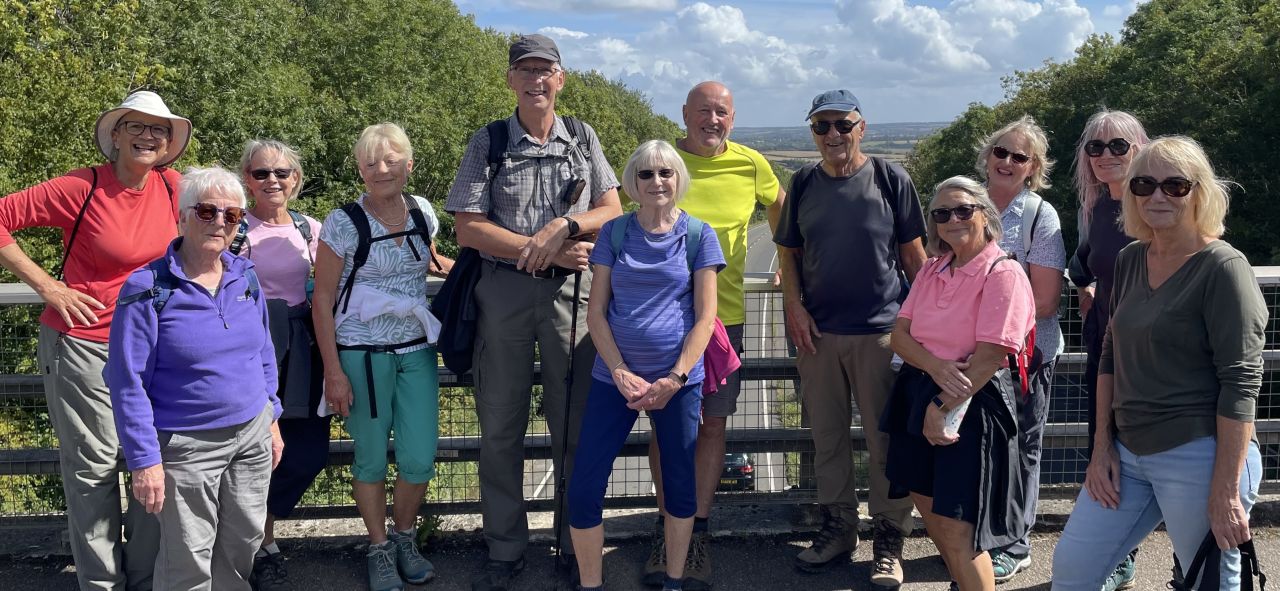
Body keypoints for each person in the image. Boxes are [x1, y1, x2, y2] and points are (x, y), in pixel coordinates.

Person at [444, 33, 622, 590]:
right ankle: (505, 550)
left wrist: (565, 226)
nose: (536, 79)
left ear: (560, 79)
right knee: (501, 426)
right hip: (504, 294)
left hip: (573, 296)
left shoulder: (583, 137)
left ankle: (574, 543)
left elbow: (612, 207)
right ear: (510, 80)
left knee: (576, 425)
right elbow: (467, 227)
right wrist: (538, 248)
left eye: (546, 70)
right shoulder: (490, 140)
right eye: (526, 70)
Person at [1051, 136, 1266, 590]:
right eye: (1144, 185)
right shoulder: (1131, 258)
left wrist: (1226, 489)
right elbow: (1110, 354)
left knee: (1209, 581)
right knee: (1073, 570)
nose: (1157, 196)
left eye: (1175, 185)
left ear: (1200, 192)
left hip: (1199, 453)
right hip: (1127, 454)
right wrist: (1102, 446)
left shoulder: (1223, 267)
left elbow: (1241, 382)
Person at [0, 90, 189, 590]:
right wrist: (48, 286)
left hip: (155, 347)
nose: (148, 136)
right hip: (84, 343)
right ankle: (102, 584)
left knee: (156, 461)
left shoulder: (174, 187)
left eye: (159, 128)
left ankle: (144, 579)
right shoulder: (82, 186)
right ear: (117, 134)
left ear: (169, 141)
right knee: (95, 469)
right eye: (137, 126)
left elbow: (225, 221)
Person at [773, 89, 926, 588]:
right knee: (828, 438)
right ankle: (839, 529)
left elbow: (914, 256)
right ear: (813, 132)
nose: (833, 134)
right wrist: (794, 306)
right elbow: (789, 253)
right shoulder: (803, 182)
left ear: (862, 128)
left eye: (843, 124)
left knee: (885, 441)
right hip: (818, 334)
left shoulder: (890, 178)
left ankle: (889, 540)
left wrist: (927, 323)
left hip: (881, 333)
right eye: (822, 126)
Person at [105, 165, 284, 590]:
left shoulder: (245, 275)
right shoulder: (148, 288)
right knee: (188, 557)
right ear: (183, 217)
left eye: (232, 215)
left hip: (251, 436)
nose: (220, 222)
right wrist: (145, 461)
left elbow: (262, 351)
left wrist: (272, 417)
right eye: (207, 211)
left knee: (244, 541)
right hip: (186, 446)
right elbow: (127, 382)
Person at [641, 80, 784, 589]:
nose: (712, 120)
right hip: (665, 319)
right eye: (703, 110)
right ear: (684, 114)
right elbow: (623, 216)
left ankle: (696, 533)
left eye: (721, 112)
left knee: (713, 428)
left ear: (733, 118)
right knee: (666, 429)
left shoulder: (751, 164)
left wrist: (787, 260)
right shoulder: (660, 163)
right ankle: (668, 529)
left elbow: (781, 207)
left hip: (725, 321)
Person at [569, 139, 725, 591]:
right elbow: (596, 313)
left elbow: (706, 318)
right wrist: (619, 370)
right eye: (646, 174)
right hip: (613, 379)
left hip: (677, 383)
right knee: (584, 488)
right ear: (632, 182)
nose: (656, 181)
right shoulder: (614, 233)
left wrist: (675, 378)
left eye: (665, 172)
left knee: (679, 487)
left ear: (678, 178)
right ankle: (591, 584)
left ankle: (674, 581)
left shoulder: (699, 235)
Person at [312, 124, 453, 591]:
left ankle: (404, 538)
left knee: (420, 457)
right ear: (360, 170)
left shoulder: (422, 212)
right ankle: (379, 547)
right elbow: (322, 299)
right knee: (370, 458)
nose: (381, 170)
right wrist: (333, 371)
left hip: (416, 350)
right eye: (371, 163)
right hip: (362, 355)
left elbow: (429, 260)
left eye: (391, 160)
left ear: (409, 165)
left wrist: (490, 270)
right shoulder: (343, 222)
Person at [882, 176, 1036, 591]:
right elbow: (899, 337)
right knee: (930, 511)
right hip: (918, 390)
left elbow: (988, 358)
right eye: (942, 213)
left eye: (964, 209)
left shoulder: (1003, 273)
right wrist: (935, 368)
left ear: (986, 215)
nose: (953, 219)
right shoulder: (933, 269)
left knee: (957, 530)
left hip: (969, 405)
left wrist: (941, 407)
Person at [973, 115, 1066, 583]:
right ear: (987, 156)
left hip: (1026, 356)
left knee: (1021, 447)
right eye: (1000, 151)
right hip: (971, 355)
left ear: (1033, 167)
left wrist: (986, 315)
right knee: (978, 449)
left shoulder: (1038, 216)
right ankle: (979, 539)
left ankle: (1014, 543)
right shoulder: (965, 204)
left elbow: (1046, 300)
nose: (1007, 161)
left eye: (1019, 156)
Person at [1065, 110, 1150, 591]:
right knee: (1105, 442)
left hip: (1148, 348)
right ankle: (1120, 556)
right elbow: (1085, 262)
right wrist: (1087, 287)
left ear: (1140, 148)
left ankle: (1178, 555)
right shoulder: (1094, 208)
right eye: (1095, 147)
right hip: (1103, 341)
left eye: (1118, 145)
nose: (1105, 155)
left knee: (1144, 444)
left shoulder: (1155, 204)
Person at [236, 140, 325, 591]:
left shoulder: (311, 229)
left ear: (296, 179)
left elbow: (341, 279)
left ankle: (256, 532)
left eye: (281, 172)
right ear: (247, 180)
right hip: (250, 347)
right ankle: (261, 545)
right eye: (261, 173)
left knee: (307, 452)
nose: (272, 180)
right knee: (256, 449)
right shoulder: (234, 227)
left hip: (302, 347)